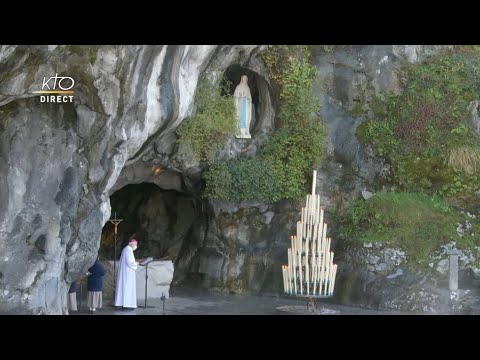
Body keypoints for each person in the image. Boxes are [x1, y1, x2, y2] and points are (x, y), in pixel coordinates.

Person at [115, 239, 139, 310]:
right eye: (135, 244)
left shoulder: (125, 249)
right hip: (127, 274)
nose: (136, 246)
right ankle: (127, 305)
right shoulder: (128, 250)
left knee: (125, 288)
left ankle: (125, 305)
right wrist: (136, 263)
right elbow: (130, 262)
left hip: (127, 273)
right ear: (131, 244)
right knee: (127, 289)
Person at [234, 74, 252, 139]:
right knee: (240, 117)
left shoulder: (247, 88)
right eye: (243, 78)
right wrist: (240, 96)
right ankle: (239, 131)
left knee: (246, 117)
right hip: (240, 104)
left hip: (246, 105)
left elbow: (250, 97)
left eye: (245, 79)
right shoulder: (238, 87)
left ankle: (245, 131)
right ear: (241, 79)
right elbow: (235, 96)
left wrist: (247, 97)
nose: (244, 80)